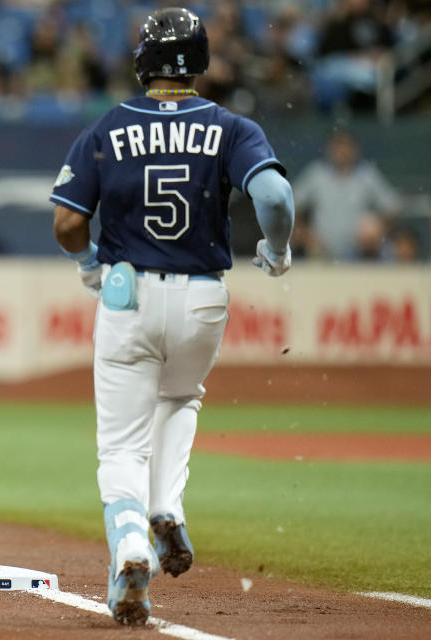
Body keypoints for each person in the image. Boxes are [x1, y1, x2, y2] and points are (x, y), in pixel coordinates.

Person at [50, 8, 294, 626]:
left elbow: (68, 221)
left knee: (121, 442)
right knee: (180, 399)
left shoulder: (109, 127)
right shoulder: (231, 127)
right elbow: (274, 197)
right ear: (202, 61)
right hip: (202, 296)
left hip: (128, 294)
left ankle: (132, 542)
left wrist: (85, 265)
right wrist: (278, 248)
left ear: (143, 63)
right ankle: (168, 509)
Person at [291, 130, 401, 261]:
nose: (342, 151)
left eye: (346, 146)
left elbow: (394, 207)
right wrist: (305, 236)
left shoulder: (367, 175)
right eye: (337, 146)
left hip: (359, 254)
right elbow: (290, 206)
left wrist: (377, 231)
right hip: (320, 252)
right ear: (329, 149)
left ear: (355, 149)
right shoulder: (317, 174)